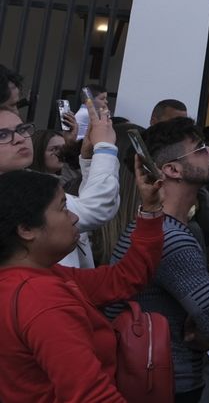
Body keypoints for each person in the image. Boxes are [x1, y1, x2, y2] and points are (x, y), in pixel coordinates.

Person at [0, 163, 166, 401]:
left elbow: (124, 278)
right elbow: (91, 396)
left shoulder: (40, 277)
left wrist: (150, 210)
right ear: (27, 229)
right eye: (63, 208)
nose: (75, 217)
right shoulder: (40, 296)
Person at [107, 117, 209, 403]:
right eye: (201, 149)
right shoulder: (170, 238)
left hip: (159, 376)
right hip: (167, 382)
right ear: (172, 169)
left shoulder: (172, 227)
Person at [1, 101, 120, 268]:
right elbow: (96, 208)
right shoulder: (15, 192)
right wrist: (105, 147)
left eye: (21, 129)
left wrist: (87, 159)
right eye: (3, 135)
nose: (20, 139)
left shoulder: (31, 180)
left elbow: (84, 207)